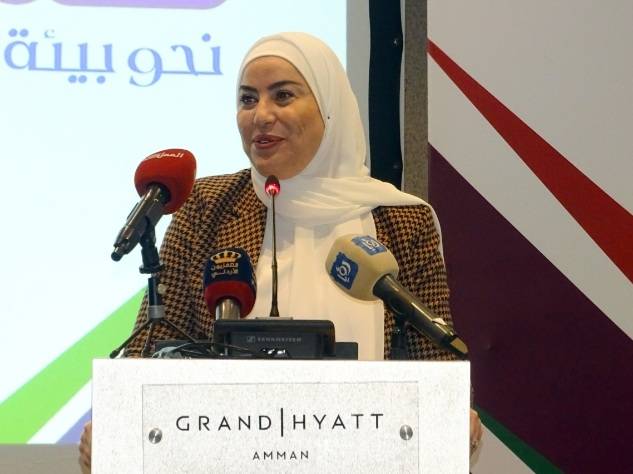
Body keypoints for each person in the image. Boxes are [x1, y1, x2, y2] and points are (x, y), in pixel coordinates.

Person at [78, 32, 482, 472]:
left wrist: (454, 421)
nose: (261, 115)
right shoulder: (206, 207)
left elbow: (436, 360)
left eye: (283, 95)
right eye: (247, 99)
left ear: (329, 106)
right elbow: (152, 348)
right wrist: (118, 426)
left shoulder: (401, 221)